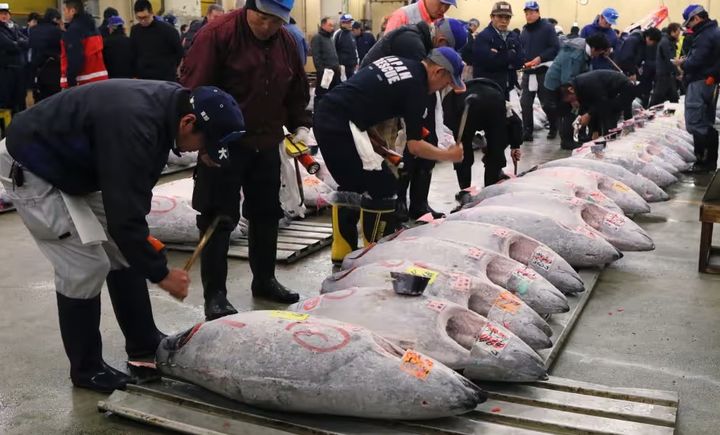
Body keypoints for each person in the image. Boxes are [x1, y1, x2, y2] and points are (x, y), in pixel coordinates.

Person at [0, 80, 244, 393]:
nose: (199, 152)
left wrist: (144, 250)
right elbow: (123, 218)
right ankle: (86, 369)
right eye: (203, 144)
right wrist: (161, 274)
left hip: (69, 164)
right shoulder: (135, 127)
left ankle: (143, 342)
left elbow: (132, 202)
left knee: (124, 249)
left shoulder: (171, 109)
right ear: (188, 122)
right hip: (31, 164)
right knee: (85, 267)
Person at [180, 0, 311, 314]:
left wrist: (301, 125)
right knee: (218, 217)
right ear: (249, 6)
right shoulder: (217, 34)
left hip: (265, 141)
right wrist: (203, 141)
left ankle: (264, 280)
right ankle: (215, 296)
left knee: (267, 213)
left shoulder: (287, 42)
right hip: (222, 144)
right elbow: (192, 90)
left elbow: (295, 88)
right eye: (262, 18)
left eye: (276, 22)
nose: (267, 27)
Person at [313, 48, 465, 263]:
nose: (443, 89)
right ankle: (375, 258)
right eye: (447, 82)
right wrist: (450, 155)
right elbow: (415, 146)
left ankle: (343, 253)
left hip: (330, 116)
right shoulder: (416, 89)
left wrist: (373, 139)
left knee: (352, 185)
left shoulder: (400, 60)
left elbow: (363, 93)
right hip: (340, 125)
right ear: (438, 72)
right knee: (383, 187)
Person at [359, 17, 467, 223]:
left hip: (384, 106)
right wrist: (447, 154)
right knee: (387, 159)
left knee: (402, 151)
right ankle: (391, 206)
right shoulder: (412, 44)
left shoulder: (423, 43)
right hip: (371, 111)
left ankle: (411, 205)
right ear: (442, 42)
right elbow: (418, 96)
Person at [445, 78, 522, 189]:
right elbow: (515, 121)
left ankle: (465, 189)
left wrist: (463, 142)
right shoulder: (498, 97)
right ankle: (491, 186)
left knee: (463, 152)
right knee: (496, 148)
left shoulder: (451, 98)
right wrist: (515, 145)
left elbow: (449, 124)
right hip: (493, 104)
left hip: (464, 106)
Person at [544, 33, 611, 149]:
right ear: (594, 49)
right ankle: (566, 141)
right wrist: (573, 99)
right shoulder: (574, 56)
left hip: (570, 85)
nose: (597, 56)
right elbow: (567, 79)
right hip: (557, 85)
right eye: (598, 53)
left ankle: (579, 135)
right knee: (568, 112)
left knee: (579, 108)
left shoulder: (585, 50)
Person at [677, 5, 720, 172]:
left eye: (690, 23)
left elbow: (696, 61)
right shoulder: (714, 31)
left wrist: (683, 63)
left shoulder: (705, 35)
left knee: (697, 122)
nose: (689, 27)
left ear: (697, 18)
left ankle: (704, 162)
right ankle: (707, 161)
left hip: (700, 81)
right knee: (705, 120)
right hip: (709, 81)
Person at [519, 1, 559, 141]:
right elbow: (521, 48)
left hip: (543, 71)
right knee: (525, 103)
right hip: (528, 72)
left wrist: (540, 58)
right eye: (527, 13)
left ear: (538, 12)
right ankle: (527, 131)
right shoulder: (524, 30)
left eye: (532, 12)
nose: (529, 15)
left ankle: (554, 126)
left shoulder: (547, 28)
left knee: (546, 102)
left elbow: (555, 47)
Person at [560, 70, 634, 137]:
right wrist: (594, 131)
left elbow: (601, 101)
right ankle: (604, 136)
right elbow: (590, 109)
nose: (572, 102)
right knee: (598, 112)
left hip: (623, 88)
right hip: (609, 94)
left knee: (609, 114)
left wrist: (589, 114)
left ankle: (613, 138)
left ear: (571, 90)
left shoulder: (587, 84)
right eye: (570, 102)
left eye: (572, 99)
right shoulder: (578, 89)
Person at [472, 1, 522, 100]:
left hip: (507, 88)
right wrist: (510, 54)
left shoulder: (513, 36)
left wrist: (500, 55)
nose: (504, 21)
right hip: (487, 88)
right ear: (492, 17)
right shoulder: (483, 37)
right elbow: (487, 62)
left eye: (507, 17)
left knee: (505, 113)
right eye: (500, 17)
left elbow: (520, 61)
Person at [130, 0, 183, 81]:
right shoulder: (135, 30)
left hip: (164, 79)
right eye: (139, 18)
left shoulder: (168, 30)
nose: (143, 21)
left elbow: (179, 52)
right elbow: (133, 53)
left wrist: (170, 68)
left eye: (145, 17)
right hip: (143, 79)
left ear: (152, 13)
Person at [28, 8, 62, 102]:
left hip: (36, 71)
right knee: (53, 101)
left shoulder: (33, 30)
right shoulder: (56, 31)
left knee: (39, 100)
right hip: (52, 71)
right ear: (54, 19)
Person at [0, 2, 28, 114]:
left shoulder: (15, 27)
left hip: (19, 70)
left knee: (20, 99)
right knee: (6, 100)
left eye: (6, 13)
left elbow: (27, 41)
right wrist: (19, 43)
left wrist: (18, 43)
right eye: (1, 13)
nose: (4, 15)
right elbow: (9, 45)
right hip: (5, 71)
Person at [649, 23, 681, 107]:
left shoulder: (669, 41)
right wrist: (678, 73)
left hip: (668, 75)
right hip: (664, 75)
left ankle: (673, 115)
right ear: (672, 32)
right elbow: (670, 59)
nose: (679, 33)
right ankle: (648, 113)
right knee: (657, 99)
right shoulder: (665, 42)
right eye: (678, 31)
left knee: (673, 98)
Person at [311, 16, 340, 108]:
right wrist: (322, 71)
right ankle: (318, 114)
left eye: (333, 25)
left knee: (333, 94)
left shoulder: (330, 38)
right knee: (321, 95)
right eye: (330, 25)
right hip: (325, 74)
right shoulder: (317, 38)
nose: (332, 27)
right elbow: (316, 57)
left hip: (335, 72)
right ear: (323, 25)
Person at [385, 0, 456, 33]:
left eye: (448, 5)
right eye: (441, 3)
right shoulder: (401, 16)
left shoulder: (447, 22)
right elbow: (385, 51)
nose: (443, 9)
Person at [333, 14, 358, 80]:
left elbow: (354, 49)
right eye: (348, 22)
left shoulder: (351, 34)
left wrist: (356, 62)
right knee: (342, 83)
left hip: (352, 66)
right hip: (342, 66)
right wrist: (337, 64)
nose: (350, 24)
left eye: (350, 22)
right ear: (342, 23)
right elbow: (333, 49)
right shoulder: (338, 34)